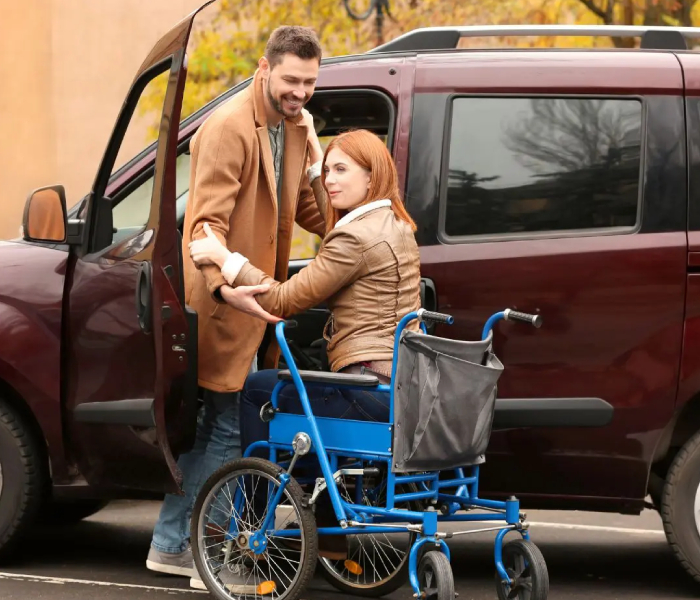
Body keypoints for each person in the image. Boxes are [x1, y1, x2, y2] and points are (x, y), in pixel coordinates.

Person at [146, 26, 327, 592]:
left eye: (310, 83)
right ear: (265, 67)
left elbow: (305, 209)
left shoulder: (295, 127)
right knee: (227, 428)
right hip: (226, 300)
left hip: (258, 301)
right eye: (292, 80)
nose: (300, 92)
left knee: (219, 429)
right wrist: (237, 285)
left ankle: (172, 543)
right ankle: (203, 554)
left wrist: (327, 173)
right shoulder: (228, 127)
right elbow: (204, 229)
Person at [188, 129, 422, 558]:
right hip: (401, 387)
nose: (330, 181)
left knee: (260, 388)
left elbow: (282, 300)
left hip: (367, 388)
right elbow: (336, 216)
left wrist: (225, 259)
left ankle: (253, 527)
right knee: (307, 406)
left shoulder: (354, 240)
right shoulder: (395, 224)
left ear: (372, 178)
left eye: (341, 171)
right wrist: (317, 156)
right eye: (328, 171)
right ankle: (328, 532)